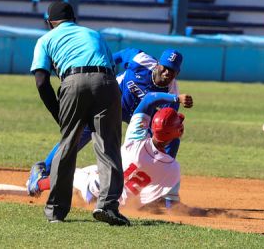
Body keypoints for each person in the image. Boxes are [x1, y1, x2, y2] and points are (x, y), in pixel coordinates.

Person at [27, 48, 185, 195]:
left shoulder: (172, 95)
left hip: (139, 117)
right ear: (158, 64)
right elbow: (117, 57)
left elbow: (166, 124)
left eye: (172, 71)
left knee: (170, 139)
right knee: (79, 135)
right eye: (164, 67)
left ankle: (157, 188)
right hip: (111, 102)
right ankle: (43, 170)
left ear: (177, 73)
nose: (167, 73)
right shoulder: (140, 60)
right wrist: (105, 71)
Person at [30, 1, 129, 225]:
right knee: (108, 146)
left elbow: (41, 81)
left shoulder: (45, 39)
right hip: (107, 82)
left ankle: (56, 211)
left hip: (73, 81)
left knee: (68, 145)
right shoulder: (94, 34)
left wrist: (59, 114)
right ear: (74, 19)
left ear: (49, 23)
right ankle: (108, 206)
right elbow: (111, 68)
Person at [34, 92, 194, 212]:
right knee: (92, 170)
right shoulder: (172, 168)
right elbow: (171, 205)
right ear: (177, 133)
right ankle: (51, 188)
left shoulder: (136, 139)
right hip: (117, 205)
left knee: (70, 173)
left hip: (96, 190)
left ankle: (37, 184)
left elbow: (148, 99)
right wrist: (199, 212)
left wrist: (175, 98)